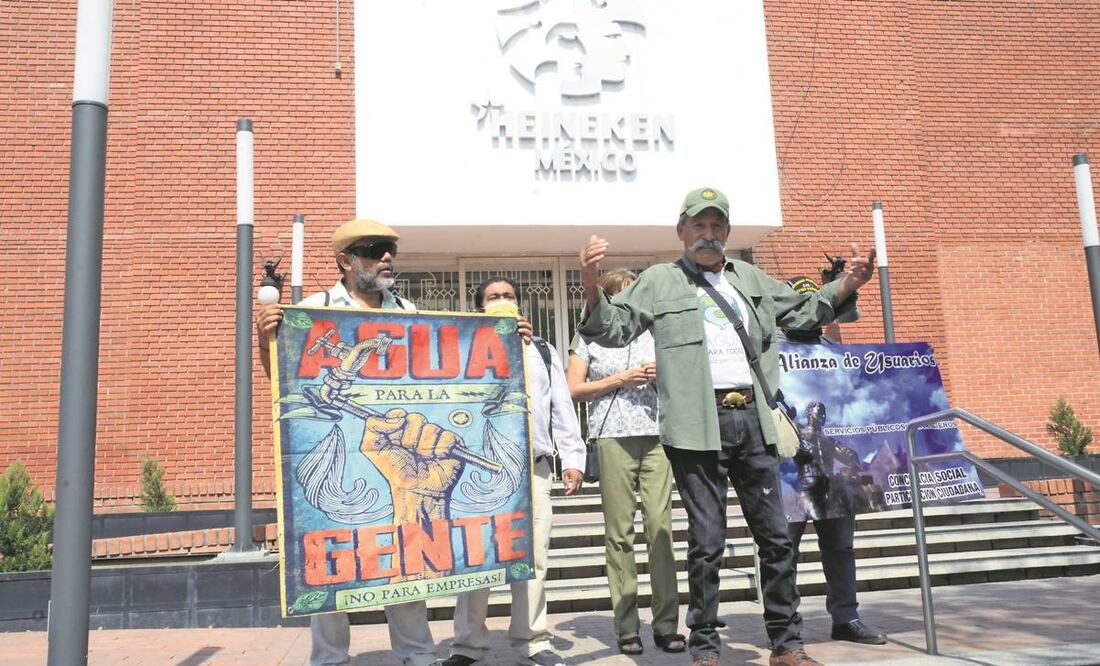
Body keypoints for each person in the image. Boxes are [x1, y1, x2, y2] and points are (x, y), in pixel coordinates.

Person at [576, 186, 877, 666]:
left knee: (775, 537)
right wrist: (591, 283)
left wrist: (848, 284)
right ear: (681, 231)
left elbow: (804, 311)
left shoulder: (750, 278)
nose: (708, 234)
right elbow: (613, 329)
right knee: (707, 541)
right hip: (696, 425)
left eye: (717, 226)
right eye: (699, 225)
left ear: (728, 232)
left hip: (753, 419)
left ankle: (786, 645)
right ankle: (706, 648)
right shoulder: (659, 280)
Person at [255, 220, 531, 666]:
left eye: (391, 250)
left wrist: (508, 343)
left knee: (406, 555)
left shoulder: (409, 312)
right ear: (345, 261)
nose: (386, 257)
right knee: (330, 563)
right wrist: (265, 337)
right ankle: (329, 658)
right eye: (374, 248)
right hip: (343, 458)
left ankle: (417, 654)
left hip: (401, 451)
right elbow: (282, 382)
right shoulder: (314, 310)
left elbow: (453, 375)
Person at [440, 277, 586, 666]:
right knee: (477, 555)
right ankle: (468, 645)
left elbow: (560, 405)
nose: (502, 300)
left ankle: (532, 640)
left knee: (534, 557)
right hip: (478, 473)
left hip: (532, 469)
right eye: (493, 297)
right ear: (479, 308)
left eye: (508, 296)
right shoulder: (462, 351)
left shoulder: (541, 350)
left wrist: (573, 458)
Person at [565, 268, 684, 656]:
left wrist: (659, 376)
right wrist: (620, 379)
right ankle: (627, 626)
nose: (631, 301)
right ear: (610, 298)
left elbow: (685, 382)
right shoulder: (588, 334)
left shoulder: (655, 331)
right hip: (612, 436)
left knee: (660, 528)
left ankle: (666, 624)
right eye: (622, 294)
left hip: (657, 436)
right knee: (619, 532)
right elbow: (573, 389)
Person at [780, 276, 887, 646]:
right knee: (782, 553)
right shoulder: (769, 351)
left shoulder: (832, 352)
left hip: (830, 484)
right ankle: (783, 626)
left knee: (841, 548)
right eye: (800, 306)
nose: (808, 313)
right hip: (788, 478)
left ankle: (846, 618)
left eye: (814, 305)